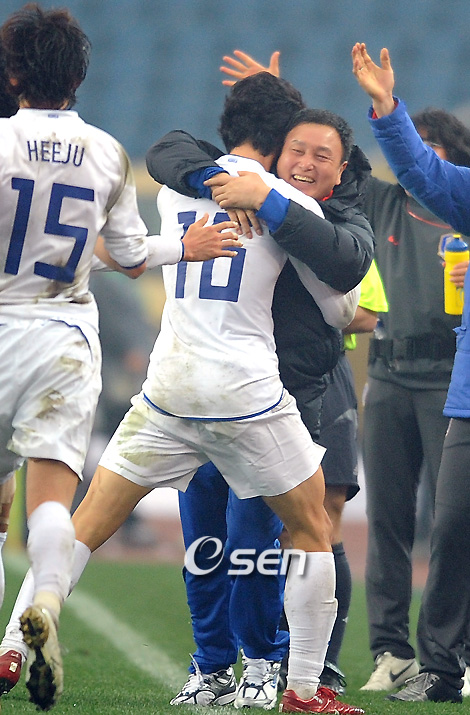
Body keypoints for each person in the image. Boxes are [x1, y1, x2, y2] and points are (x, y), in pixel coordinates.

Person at [0, 4, 242, 711]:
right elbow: (132, 257)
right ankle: (44, 605)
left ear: (11, 74)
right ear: (79, 77)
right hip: (63, 338)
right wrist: (184, 248)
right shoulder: (106, 152)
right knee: (52, 498)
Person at [148, 106, 376, 710]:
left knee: (278, 538)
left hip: (291, 396)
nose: (305, 163)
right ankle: (213, 665)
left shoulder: (342, 215)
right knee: (206, 543)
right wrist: (225, 181)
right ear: (275, 151)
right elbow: (170, 148)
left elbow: (349, 291)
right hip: (208, 391)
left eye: (321, 155)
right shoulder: (239, 184)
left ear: (342, 169)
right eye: (295, 149)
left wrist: (273, 205)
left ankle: (280, 665)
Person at [351, 41, 470, 703]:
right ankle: (408, 656)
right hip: (411, 378)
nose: (421, 160)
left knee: (452, 524)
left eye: (434, 149)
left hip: (448, 373)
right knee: (416, 524)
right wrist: (384, 106)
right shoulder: (396, 201)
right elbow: (338, 161)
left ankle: (452, 655)